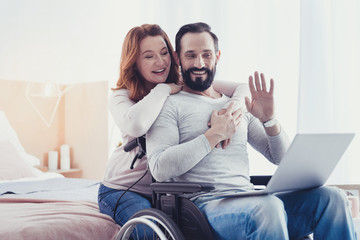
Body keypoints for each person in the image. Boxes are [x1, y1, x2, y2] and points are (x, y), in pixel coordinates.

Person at [146, 22, 357, 240]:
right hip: (205, 208)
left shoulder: (236, 105)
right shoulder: (169, 105)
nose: (199, 63)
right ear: (177, 58)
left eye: (206, 55)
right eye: (190, 55)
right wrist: (213, 135)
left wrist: (269, 120)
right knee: (268, 207)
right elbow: (160, 167)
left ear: (217, 57)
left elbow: (280, 157)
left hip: (248, 199)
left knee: (333, 199)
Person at [97, 23, 248, 234]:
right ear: (134, 62)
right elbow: (137, 125)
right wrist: (163, 89)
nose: (160, 62)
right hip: (123, 190)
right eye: (148, 56)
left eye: (164, 52)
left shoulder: (181, 84)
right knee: (150, 231)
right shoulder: (122, 96)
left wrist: (235, 105)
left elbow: (242, 88)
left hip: (166, 191)